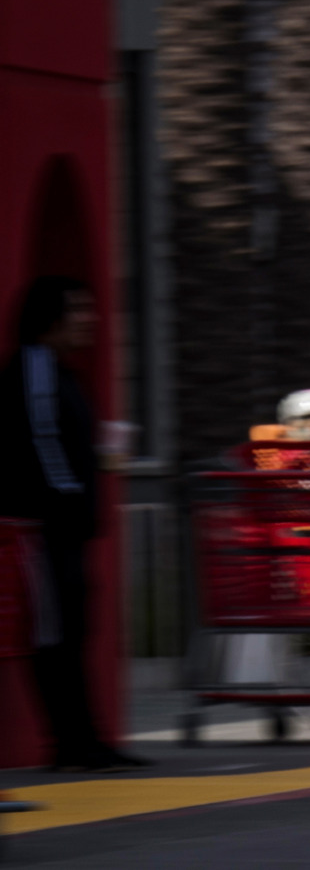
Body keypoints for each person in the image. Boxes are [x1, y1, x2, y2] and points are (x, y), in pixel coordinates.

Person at [0, 276, 145, 772]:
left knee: (73, 630)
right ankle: (68, 743)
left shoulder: (63, 372)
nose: (90, 319)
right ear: (51, 319)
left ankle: (84, 739)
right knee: (55, 632)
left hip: (64, 526)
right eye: (78, 310)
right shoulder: (36, 366)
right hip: (43, 528)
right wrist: (67, 495)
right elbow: (42, 437)